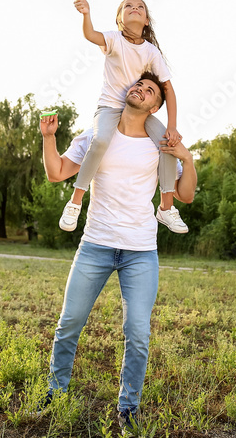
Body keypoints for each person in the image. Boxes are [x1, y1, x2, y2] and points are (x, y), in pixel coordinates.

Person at [38, 71, 197, 431]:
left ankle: (128, 410)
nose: (141, 90)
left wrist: (187, 157)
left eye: (150, 90)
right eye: (139, 85)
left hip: (140, 251)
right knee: (69, 325)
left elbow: (185, 194)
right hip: (95, 244)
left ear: (156, 105)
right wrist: (49, 139)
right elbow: (57, 171)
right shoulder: (98, 133)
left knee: (138, 333)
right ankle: (55, 394)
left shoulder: (160, 142)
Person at [59, 0, 188, 235]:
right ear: (120, 18)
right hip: (110, 108)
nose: (134, 8)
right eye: (128, 6)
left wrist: (172, 126)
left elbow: (169, 90)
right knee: (100, 141)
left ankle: (166, 207)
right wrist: (86, 14)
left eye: (140, 6)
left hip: (138, 111)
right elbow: (90, 34)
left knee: (167, 144)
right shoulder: (114, 40)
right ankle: (75, 202)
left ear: (146, 20)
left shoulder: (151, 52)